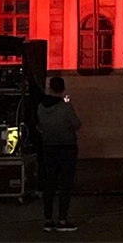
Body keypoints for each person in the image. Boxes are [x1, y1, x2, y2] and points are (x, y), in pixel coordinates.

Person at [37, 77, 81, 232]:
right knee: (65, 184)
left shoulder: (41, 107)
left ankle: (48, 219)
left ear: (50, 88)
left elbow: (39, 124)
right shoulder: (65, 106)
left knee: (49, 184)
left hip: (48, 147)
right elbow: (76, 124)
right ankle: (62, 219)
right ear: (62, 89)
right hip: (66, 147)